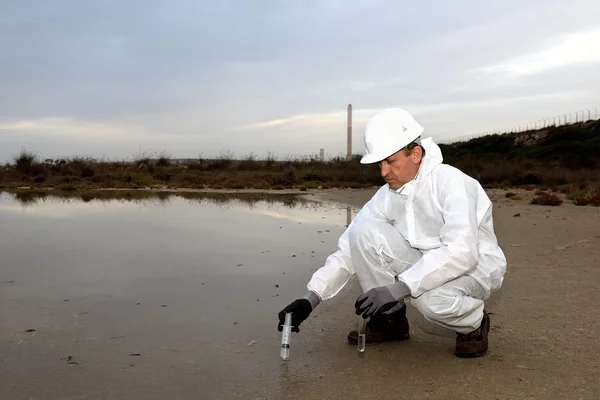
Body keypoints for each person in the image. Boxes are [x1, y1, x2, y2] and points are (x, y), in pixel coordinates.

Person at [277, 108, 507, 358]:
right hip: (424, 261)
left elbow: (462, 251)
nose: (383, 172)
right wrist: (312, 297)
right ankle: (390, 322)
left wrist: (398, 289)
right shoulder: (387, 196)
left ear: (416, 154)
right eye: (380, 164)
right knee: (363, 232)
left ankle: (473, 323)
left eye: (391, 162)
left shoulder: (452, 183)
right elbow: (349, 248)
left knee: (429, 300)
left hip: (476, 267)